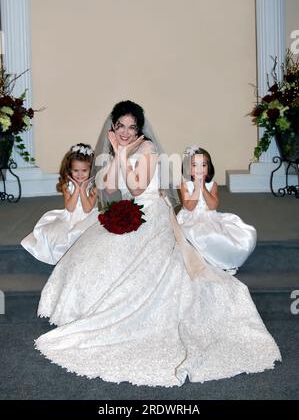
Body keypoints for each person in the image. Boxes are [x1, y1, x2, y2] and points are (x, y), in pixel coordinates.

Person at [35, 101, 281, 387]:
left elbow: (139, 188)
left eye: (132, 127)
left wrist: (124, 152)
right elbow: (112, 188)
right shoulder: (118, 147)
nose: (126, 132)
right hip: (129, 209)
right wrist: (116, 155)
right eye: (120, 127)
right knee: (90, 251)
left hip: (151, 212)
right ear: (113, 127)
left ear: (139, 128)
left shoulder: (148, 149)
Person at [177, 146, 257, 275]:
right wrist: (196, 189)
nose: (199, 169)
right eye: (194, 165)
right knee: (193, 233)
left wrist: (203, 187)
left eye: (203, 165)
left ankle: (227, 261)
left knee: (220, 235)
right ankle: (203, 261)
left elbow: (213, 205)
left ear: (208, 169)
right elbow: (189, 207)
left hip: (209, 216)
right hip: (190, 217)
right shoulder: (185, 185)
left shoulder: (212, 185)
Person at [21, 143, 98, 265]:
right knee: (55, 235)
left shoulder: (94, 188)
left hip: (88, 217)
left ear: (91, 170)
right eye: (75, 170)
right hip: (70, 217)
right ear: (69, 170)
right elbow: (70, 208)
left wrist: (83, 189)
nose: (79, 174)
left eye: (84, 170)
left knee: (83, 233)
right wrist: (76, 189)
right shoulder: (67, 186)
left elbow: (87, 209)